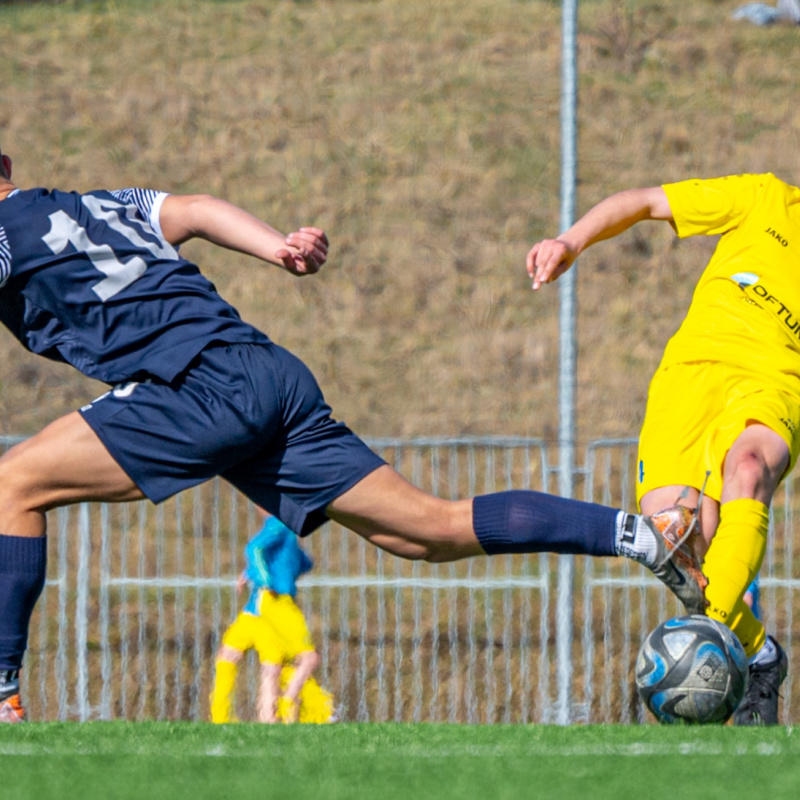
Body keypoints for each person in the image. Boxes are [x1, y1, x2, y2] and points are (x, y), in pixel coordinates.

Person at [0, 146, 701, 723]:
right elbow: (192, 210)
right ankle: (640, 534)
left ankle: (2, 694)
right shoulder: (93, 204)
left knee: (13, 483)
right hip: (265, 372)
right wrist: (277, 247)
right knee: (426, 529)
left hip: (196, 385)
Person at [526, 173, 795, 725]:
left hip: (775, 380)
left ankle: (720, 646)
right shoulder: (765, 196)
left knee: (748, 468)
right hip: (687, 379)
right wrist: (571, 241)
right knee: (675, 542)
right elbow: (646, 201)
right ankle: (760, 654)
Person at [210, 510, 335, 724]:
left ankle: (227, 717)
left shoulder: (282, 529)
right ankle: (312, 709)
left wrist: (256, 572)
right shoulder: (280, 524)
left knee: (261, 664)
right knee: (292, 661)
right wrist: (265, 578)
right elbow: (255, 548)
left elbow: (302, 561)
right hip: (270, 604)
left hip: (256, 608)